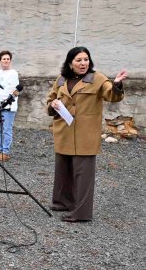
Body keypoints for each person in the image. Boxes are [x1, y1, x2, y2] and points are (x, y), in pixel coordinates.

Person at [46, 47, 127, 223]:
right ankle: (62, 202)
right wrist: (52, 105)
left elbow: (112, 95)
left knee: (83, 175)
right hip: (64, 131)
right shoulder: (61, 79)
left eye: (86, 59)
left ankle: (81, 213)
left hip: (85, 134)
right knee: (63, 170)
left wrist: (117, 84)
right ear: (70, 63)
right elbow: (50, 99)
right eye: (79, 60)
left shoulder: (97, 78)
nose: (83, 63)